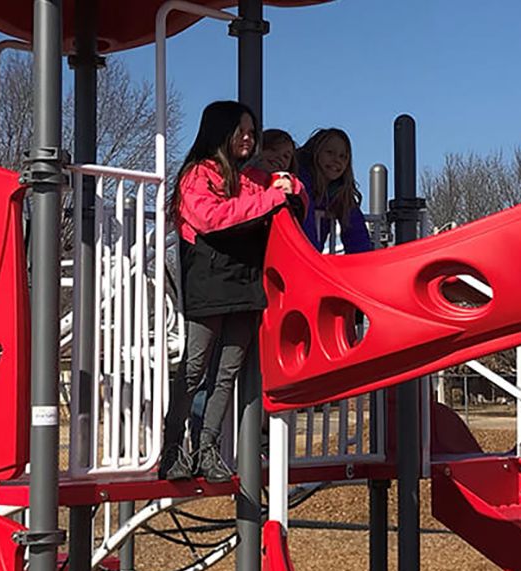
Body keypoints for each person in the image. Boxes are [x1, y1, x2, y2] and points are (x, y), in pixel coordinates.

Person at [158, 100, 301, 483]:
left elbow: (285, 189)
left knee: (228, 371)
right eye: (242, 130)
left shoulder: (251, 177)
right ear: (220, 131)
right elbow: (211, 217)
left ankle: (207, 448)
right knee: (194, 368)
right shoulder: (196, 175)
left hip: (244, 280)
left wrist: (290, 185)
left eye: (252, 132)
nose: (248, 137)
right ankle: (172, 448)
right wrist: (274, 196)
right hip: (208, 281)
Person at [294, 128, 375, 254]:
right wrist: (312, 257)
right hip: (294, 257)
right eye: (330, 152)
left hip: (311, 261)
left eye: (343, 156)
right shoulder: (299, 183)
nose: (337, 160)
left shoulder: (340, 193)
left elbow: (357, 236)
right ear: (315, 152)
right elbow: (306, 227)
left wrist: (362, 266)